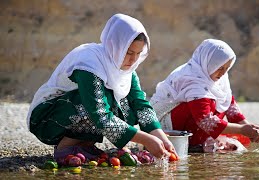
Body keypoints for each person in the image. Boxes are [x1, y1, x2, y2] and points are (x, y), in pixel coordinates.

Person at [26, 13, 177, 162]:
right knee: (100, 100)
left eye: (138, 53)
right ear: (115, 45)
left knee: (126, 104)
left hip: (81, 114)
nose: (133, 60)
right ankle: (65, 147)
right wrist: (146, 140)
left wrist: (161, 137)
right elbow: (99, 115)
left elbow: (141, 106)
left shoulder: (125, 71)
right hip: (47, 118)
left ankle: (85, 145)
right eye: (129, 52)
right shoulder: (89, 62)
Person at [150, 39, 259, 152]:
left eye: (226, 69)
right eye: (220, 68)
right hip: (171, 127)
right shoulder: (193, 79)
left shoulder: (218, 79)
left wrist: (250, 128)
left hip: (197, 122)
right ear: (209, 63)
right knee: (206, 104)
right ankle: (193, 144)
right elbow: (204, 120)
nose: (222, 73)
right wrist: (242, 130)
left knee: (220, 105)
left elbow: (230, 106)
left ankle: (201, 141)